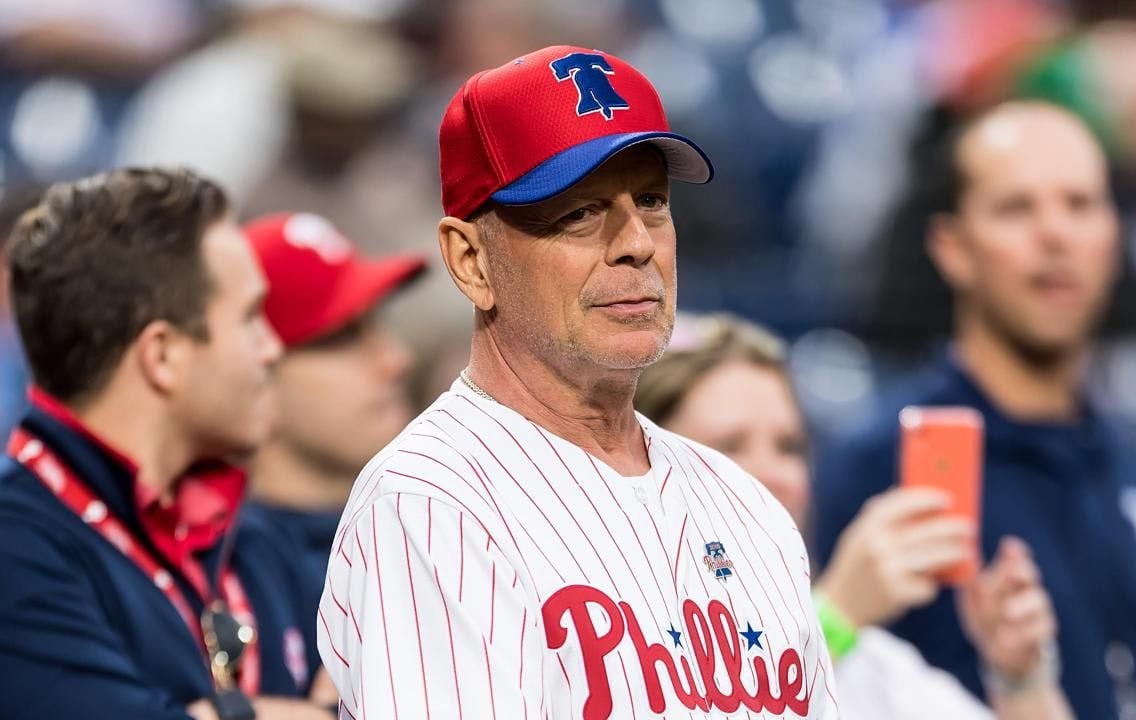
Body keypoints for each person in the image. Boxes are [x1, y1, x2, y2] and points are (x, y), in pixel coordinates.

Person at [317, 45, 840, 718]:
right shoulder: (432, 504)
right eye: (579, 213)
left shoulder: (744, 502)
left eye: (651, 200)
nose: (636, 243)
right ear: (471, 261)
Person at [814, 101, 1136, 718]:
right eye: (1016, 208)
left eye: (1080, 205)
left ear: (1113, 238)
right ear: (952, 247)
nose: (1055, 234)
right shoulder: (884, 464)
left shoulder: (1135, 472)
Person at [0, 168, 333, 720]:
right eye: (250, 318)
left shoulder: (254, 541)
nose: (272, 349)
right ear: (163, 356)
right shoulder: (16, 550)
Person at [636, 312, 1074, 720]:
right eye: (730, 444)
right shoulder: (610, 638)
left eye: (789, 447)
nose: (774, 474)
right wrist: (837, 616)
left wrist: (1021, 682)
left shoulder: (873, 660)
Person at [235, 210, 425, 699]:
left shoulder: (434, 519)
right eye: (341, 337)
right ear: (254, 366)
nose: (395, 360)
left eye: (377, 325)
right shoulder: (226, 572)